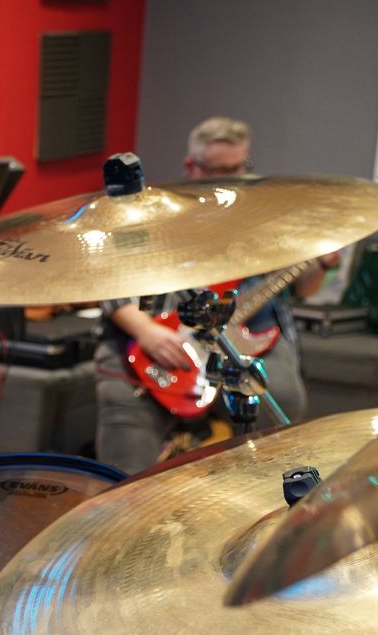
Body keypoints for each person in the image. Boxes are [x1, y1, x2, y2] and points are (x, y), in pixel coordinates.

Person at [95, 116, 339, 474]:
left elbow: (305, 289)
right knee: (125, 431)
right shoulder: (152, 214)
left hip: (251, 336)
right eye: (217, 170)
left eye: (238, 167)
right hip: (157, 338)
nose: (230, 177)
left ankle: (253, 494)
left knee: (282, 399)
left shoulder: (268, 218)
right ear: (191, 166)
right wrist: (145, 330)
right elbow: (107, 283)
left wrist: (322, 265)